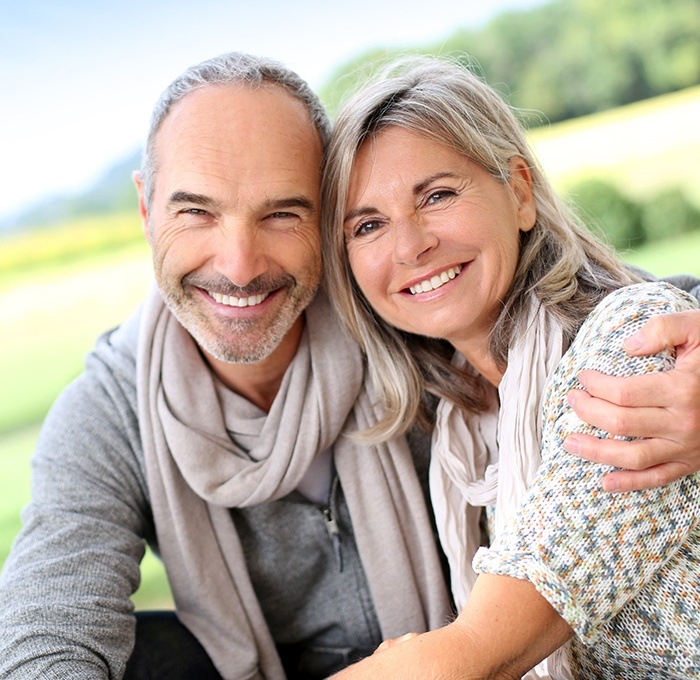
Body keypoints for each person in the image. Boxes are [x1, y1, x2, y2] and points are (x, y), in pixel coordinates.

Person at [0, 51, 698, 680]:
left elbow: (623, 313)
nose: (239, 266)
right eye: (197, 212)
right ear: (148, 209)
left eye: (281, 213)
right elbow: (45, 632)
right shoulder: (113, 411)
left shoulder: (403, 332)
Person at [321, 56, 700, 678]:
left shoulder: (634, 348)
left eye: (437, 195)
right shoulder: (458, 431)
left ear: (520, 192)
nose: (410, 246)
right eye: (368, 225)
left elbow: (473, 657)